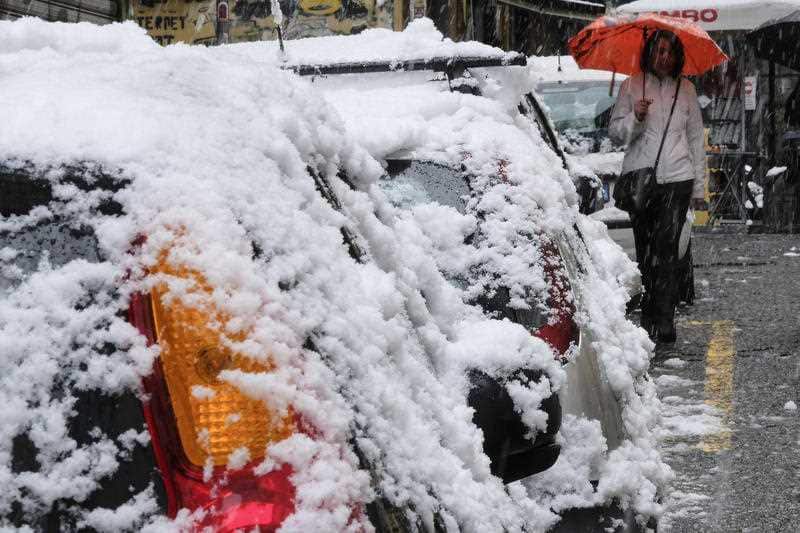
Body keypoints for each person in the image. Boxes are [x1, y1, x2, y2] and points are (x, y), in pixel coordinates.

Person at [609, 30, 705, 343]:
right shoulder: (631, 85)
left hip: (678, 180)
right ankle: (648, 313)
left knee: (668, 252)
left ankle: (664, 319)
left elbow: (694, 139)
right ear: (649, 53)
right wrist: (635, 118)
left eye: (669, 52)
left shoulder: (687, 89)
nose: (664, 57)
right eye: (658, 51)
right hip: (642, 180)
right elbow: (615, 134)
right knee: (645, 249)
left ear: (678, 57)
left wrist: (700, 189)